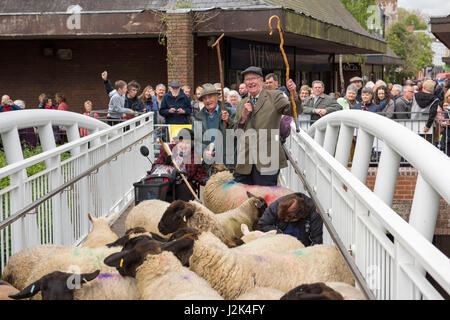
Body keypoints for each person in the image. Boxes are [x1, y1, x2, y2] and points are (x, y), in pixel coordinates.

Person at [228, 66, 302, 186]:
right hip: (245, 161)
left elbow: (294, 111)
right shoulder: (241, 104)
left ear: (261, 80)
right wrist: (243, 117)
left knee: (266, 199)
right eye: (247, 79)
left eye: (254, 78)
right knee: (242, 198)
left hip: (268, 159)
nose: (250, 82)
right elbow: (236, 132)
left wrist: (294, 94)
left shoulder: (275, 96)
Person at [153, 128, 208, 201]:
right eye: (181, 142)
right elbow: (155, 166)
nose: (184, 145)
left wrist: (211, 182)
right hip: (166, 183)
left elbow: (201, 175)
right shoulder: (167, 149)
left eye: (187, 143)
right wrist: (166, 163)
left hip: (183, 184)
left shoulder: (194, 156)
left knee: (185, 192)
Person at [192, 83, 237, 171]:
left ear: (217, 97)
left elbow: (238, 134)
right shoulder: (197, 117)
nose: (208, 100)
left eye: (210, 97)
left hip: (229, 162)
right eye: (205, 98)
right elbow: (197, 141)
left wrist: (229, 122)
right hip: (210, 164)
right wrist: (204, 152)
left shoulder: (231, 113)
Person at [258, 193, 323, 247]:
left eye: (289, 219)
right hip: (281, 240)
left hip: (301, 245)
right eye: (283, 218)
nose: (286, 220)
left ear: (300, 216)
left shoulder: (314, 213)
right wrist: (280, 235)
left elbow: (317, 240)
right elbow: (263, 223)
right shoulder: (277, 205)